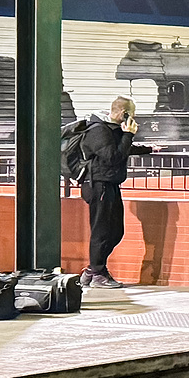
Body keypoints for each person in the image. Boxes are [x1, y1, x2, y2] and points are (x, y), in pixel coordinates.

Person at [78, 96, 151, 289]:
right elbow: (112, 157)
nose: (133, 119)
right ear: (122, 113)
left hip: (110, 184)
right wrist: (128, 134)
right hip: (98, 185)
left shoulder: (112, 130)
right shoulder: (98, 130)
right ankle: (97, 273)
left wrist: (148, 149)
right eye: (131, 114)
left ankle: (93, 270)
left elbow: (120, 150)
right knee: (100, 231)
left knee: (116, 231)